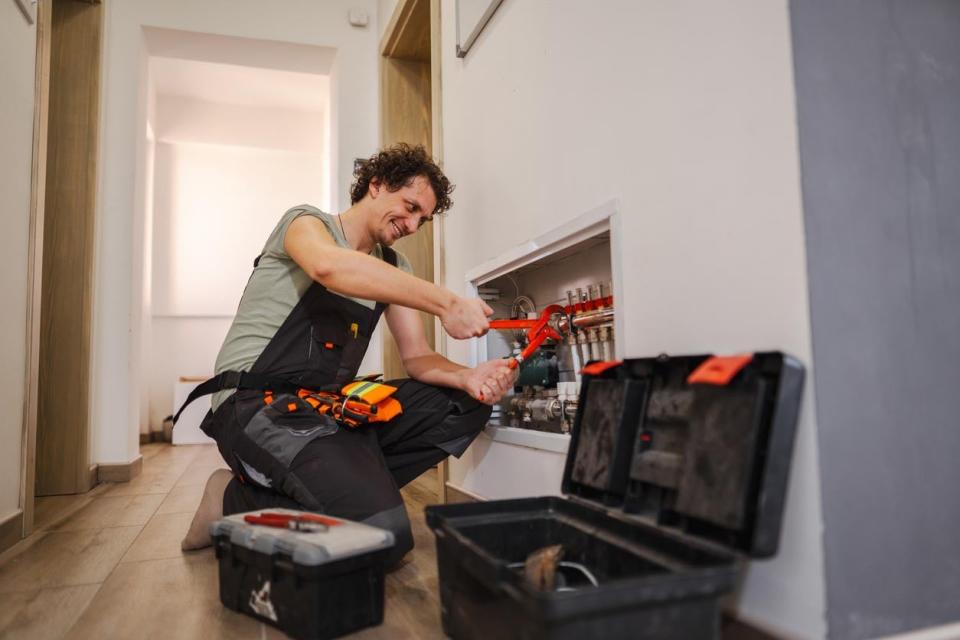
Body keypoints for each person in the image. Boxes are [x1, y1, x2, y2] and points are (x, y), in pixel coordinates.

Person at [179, 144, 515, 566]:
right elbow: (329, 267)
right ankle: (229, 497)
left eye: (422, 219)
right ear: (375, 185)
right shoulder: (305, 224)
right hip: (253, 404)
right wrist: (445, 303)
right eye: (409, 207)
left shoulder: (394, 265)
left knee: (463, 405)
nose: (412, 224)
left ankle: (350, 487)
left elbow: (418, 358)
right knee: (382, 533)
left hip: (323, 412)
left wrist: (469, 377)